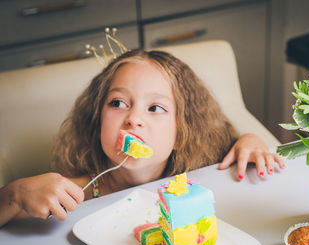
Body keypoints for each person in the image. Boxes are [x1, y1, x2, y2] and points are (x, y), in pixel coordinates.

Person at [0, 49, 284, 227]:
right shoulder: (79, 192)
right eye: (118, 103)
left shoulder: (199, 172)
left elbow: (238, 147)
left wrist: (249, 139)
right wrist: (14, 195)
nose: (134, 118)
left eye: (155, 108)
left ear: (181, 134)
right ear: (96, 119)